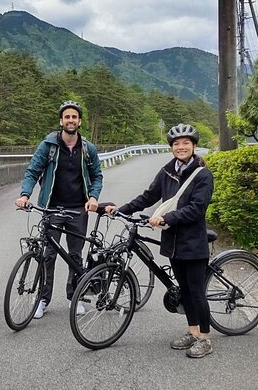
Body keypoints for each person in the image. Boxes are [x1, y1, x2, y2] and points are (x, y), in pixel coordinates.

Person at [106, 123, 214, 358]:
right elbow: (149, 196)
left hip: (193, 243)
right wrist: (121, 209)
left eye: (186, 143)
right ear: (172, 148)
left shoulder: (203, 175)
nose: (181, 147)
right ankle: (192, 331)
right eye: (177, 144)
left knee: (196, 292)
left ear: (194, 146)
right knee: (184, 290)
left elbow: (196, 210)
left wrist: (165, 217)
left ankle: (205, 338)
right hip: (173, 243)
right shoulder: (167, 171)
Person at [15, 100, 103, 319]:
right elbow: (32, 171)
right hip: (52, 208)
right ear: (61, 121)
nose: (71, 120)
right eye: (67, 117)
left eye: (74, 117)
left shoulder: (87, 149)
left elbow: (97, 177)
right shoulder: (48, 146)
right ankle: (42, 299)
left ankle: (76, 297)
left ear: (79, 121)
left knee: (75, 255)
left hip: (78, 210)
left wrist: (93, 197)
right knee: (48, 255)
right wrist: (25, 195)